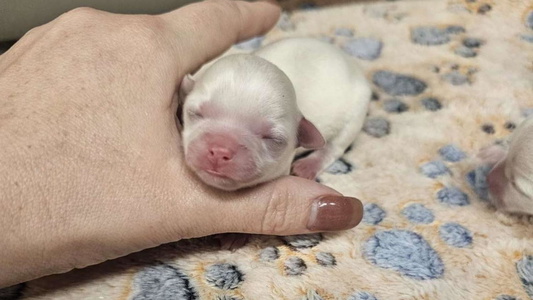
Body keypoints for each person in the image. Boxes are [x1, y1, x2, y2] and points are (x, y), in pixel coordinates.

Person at [0, 0, 363, 288]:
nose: (221, 151)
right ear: (182, 97)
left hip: (333, 74)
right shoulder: (209, 82)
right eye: (199, 116)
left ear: (302, 134)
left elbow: (282, 169)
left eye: (270, 137)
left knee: (355, 98)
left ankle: (332, 151)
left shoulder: (309, 114)